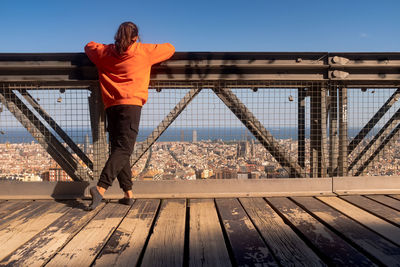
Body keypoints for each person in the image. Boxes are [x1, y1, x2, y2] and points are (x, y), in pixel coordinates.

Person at [84, 21, 175, 210]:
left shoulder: (104, 52)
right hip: (131, 105)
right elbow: (170, 48)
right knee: (124, 149)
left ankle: (128, 193)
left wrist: (109, 47)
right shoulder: (143, 51)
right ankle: (100, 188)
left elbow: (88, 46)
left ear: (117, 36)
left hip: (111, 105)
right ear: (135, 37)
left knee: (119, 147)